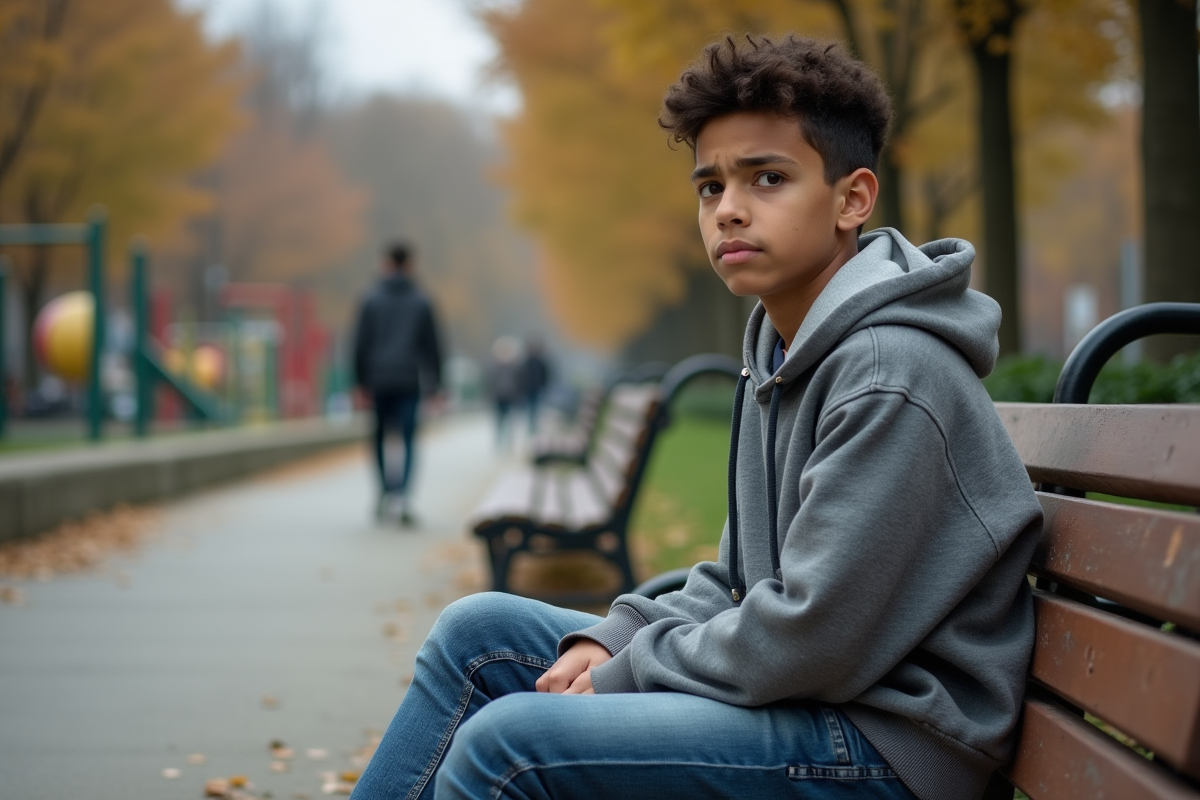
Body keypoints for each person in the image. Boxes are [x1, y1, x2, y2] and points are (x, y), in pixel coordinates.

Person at [351, 35, 1041, 800]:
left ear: (852, 199)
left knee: (510, 747)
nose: (730, 210)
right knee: (474, 637)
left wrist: (631, 670)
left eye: (767, 178)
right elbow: (736, 580)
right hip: (821, 696)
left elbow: (811, 637)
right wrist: (615, 633)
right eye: (710, 187)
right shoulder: (783, 351)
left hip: (889, 741)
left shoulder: (886, 374)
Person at [353, 242, 442, 525]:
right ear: (410, 265)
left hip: (378, 379)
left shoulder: (370, 299)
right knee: (407, 439)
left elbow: (359, 344)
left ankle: (384, 490)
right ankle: (401, 495)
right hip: (408, 379)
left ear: (387, 264)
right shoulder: (422, 300)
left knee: (379, 437)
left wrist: (359, 382)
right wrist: (436, 385)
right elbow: (433, 346)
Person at [484, 335, 525, 450]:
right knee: (499, 421)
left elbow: (520, 381)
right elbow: (489, 381)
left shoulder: (515, 365)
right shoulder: (493, 365)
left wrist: (519, 395)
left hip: (511, 396)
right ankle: (499, 442)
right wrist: (489, 394)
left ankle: (509, 443)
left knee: (510, 421)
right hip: (498, 397)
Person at [521, 334, 552, 433]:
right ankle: (532, 426)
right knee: (533, 408)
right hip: (531, 388)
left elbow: (545, 375)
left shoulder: (534, 361)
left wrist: (543, 385)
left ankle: (532, 426)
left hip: (535, 388)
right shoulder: (530, 361)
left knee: (534, 408)